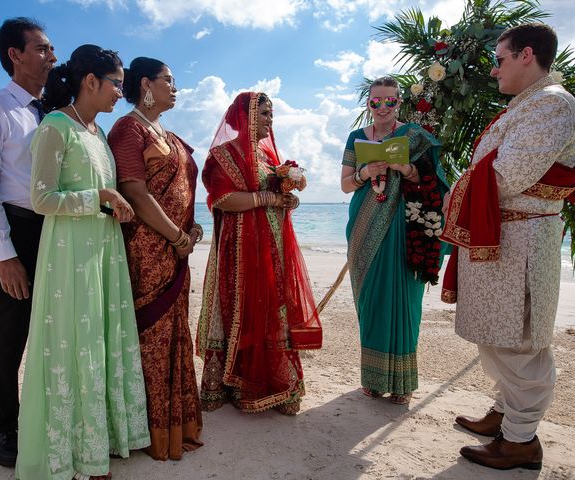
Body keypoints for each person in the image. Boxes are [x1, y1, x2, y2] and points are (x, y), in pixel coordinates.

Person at [441, 23, 575, 470]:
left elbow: (507, 175)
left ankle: (521, 440)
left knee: (520, 342)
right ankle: (505, 413)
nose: (494, 70)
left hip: (522, 240)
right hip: (503, 237)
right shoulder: (528, 105)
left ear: (526, 55)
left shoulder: (552, 105)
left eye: (499, 59)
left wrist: (453, 197)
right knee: (498, 334)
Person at [15, 45, 150, 480]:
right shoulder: (57, 127)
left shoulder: (96, 133)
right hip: (70, 254)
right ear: (89, 81)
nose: (121, 92)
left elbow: (100, 193)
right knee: (78, 340)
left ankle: (98, 443)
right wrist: (98, 198)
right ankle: (70, 454)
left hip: (102, 250)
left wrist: (113, 204)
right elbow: (40, 198)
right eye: (117, 83)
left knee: (101, 338)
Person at [0, 17, 56, 468]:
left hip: (56, 232)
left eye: (51, 49)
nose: (51, 57)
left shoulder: (56, 111)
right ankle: (2, 426)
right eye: (41, 49)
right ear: (14, 55)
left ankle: (47, 415)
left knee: (54, 329)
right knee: (7, 334)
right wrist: (5, 256)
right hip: (15, 231)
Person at [197, 91, 322, 415]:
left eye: (271, 114)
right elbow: (223, 199)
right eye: (264, 113)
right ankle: (237, 384)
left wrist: (288, 201)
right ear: (246, 116)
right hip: (238, 251)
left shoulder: (268, 157)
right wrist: (267, 200)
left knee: (272, 307)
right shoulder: (223, 156)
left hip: (271, 247)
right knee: (244, 307)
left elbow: (274, 195)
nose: (270, 120)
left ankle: (276, 385)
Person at [107, 57, 203, 461]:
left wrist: (193, 226)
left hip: (174, 249)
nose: (175, 87)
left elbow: (182, 186)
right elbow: (134, 190)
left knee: (175, 330)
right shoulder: (128, 128)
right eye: (169, 80)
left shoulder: (167, 132)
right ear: (145, 83)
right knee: (151, 336)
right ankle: (146, 428)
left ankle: (176, 419)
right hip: (147, 251)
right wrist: (176, 235)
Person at [340, 76, 448, 405]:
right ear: (368, 103)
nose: (382, 107)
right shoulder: (356, 138)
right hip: (364, 223)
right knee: (370, 299)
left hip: (406, 226)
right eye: (376, 101)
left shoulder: (415, 137)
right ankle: (372, 379)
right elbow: (345, 185)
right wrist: (364, 173)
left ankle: (402, 383)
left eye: (389, 101)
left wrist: (410, 170)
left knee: (405, 299)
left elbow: (437, 182)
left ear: (399, 102)